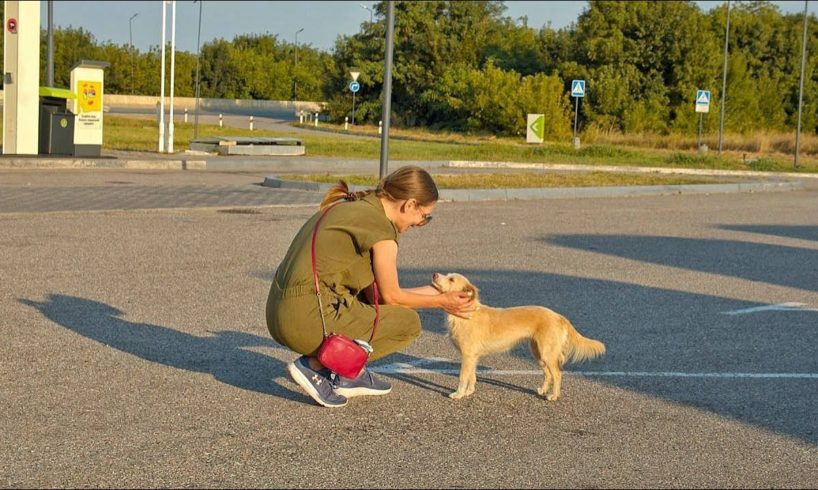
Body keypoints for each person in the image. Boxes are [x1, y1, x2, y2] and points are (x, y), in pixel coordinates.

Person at [266, 165, 475, 407]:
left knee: (372, 305)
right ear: (410, 205)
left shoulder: (353, 206)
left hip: (280, 313)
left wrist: (436, 292)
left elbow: (375, 295)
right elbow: (392, 297)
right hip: (305, 321)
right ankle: (317, 367)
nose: (421, 223)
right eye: (424, 216)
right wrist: (441, 302)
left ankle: (346, 372)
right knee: (407, 323)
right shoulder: (382, 229)